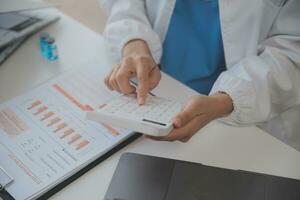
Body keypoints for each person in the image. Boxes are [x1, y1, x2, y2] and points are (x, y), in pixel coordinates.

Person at [100, 0, 300, 150]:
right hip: (160, 91)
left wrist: (227, 101)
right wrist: (133, 41)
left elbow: (292, 49)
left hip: (250, 115)